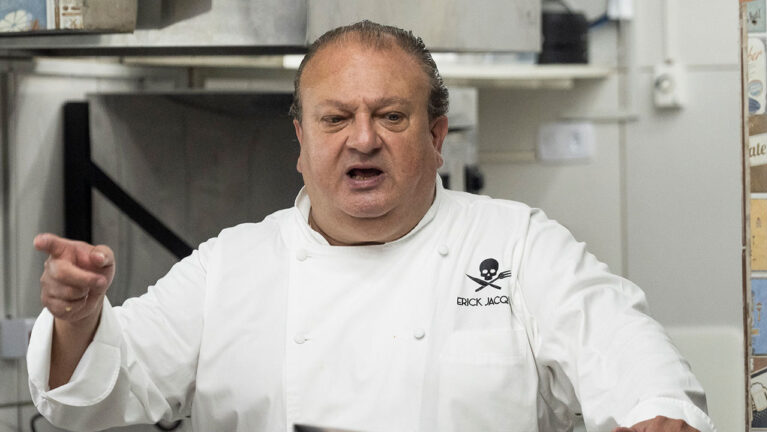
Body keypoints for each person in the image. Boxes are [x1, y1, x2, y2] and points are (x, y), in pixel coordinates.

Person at [28, 21, 715, 432]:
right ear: (299, 139)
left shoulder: (516, 246)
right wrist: (80, 318)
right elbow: (96, 398)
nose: (362, 140)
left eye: (391, 116)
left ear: (437, 133)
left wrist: (654, 409)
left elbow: (620, 343)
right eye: (335, 119)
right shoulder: (232, 266)